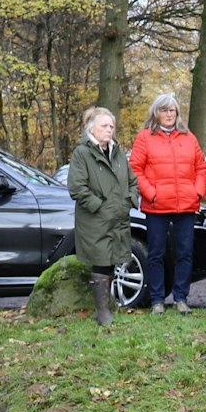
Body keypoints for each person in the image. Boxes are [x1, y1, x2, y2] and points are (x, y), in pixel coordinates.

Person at [128, 92, 206, 314]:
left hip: (186, 204)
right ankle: (157, 300)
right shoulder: (145, 137)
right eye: (164, 110)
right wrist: (150, 193)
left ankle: (181, 298)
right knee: (156, 253)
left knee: (185, 252)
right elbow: (135, 169)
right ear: (156, 113)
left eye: (172, 110)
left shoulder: (188, 137)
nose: (169, 114)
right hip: (156, 206)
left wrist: (197, 192)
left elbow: (201, 168)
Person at [68, 105, 139, 327]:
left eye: (112, 126)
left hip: (117, 217)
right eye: (104, 126)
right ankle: (102, 311)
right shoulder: (82, 153)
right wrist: (100, 207)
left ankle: (106, 308)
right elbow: (77, 188)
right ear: (92, 128)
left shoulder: (117, 152)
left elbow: (132, 181)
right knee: (100, 261)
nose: (109, 130)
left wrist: (129, 200)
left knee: (112, 260)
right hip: (95, 220)